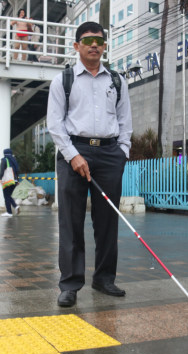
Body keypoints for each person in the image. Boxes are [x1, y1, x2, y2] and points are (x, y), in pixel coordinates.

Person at [47, 21, 133, 307]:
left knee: (107, 220)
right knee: (71, 221)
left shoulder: (117, 81)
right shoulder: (64, 80)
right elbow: (55, 124)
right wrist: (73, 155)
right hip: (74, 150)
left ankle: (104, 278)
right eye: (87, 40)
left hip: (109, 154)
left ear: (104, 46)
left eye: (99, 40)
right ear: (77, 46)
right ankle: (70, 284)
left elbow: (125, 122)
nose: (94, 44)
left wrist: (122, 153)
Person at [0, 148, 20, 217]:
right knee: (8, 196)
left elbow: (2, 170)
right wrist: (17, 180)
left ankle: (9, 212)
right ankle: (15, 207)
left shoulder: (4, 160)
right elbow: (17, 171)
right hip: (15, 181)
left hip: (7, 181)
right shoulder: (14, 160)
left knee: (6, 196)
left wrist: (0, 178)